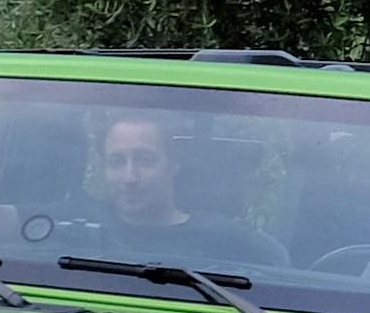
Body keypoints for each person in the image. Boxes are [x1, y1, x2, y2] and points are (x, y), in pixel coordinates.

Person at [94, 110, 283, 266]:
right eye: (116, 161)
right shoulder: (78, 232)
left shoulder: (233, 243)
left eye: (146, 161)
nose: (130, 177)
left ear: (174, 164)